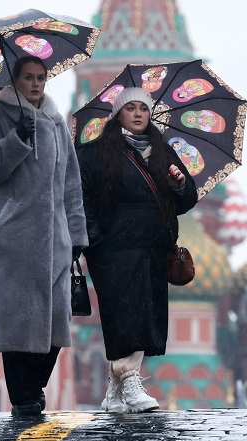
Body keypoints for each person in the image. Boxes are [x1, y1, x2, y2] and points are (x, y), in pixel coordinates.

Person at [0, 56, 88, 416]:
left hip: (55, 240)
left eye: (41, 78)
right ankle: (23, 397)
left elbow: (71, 183)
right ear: (16, 81)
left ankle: (33, 385)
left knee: (55, 323)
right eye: (29, 77)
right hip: (13, 239)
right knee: (18, 323)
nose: (36, 84)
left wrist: (76, 233)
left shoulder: (56, 123)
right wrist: (17, 138)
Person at [77, 87, 198, 413]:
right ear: (118, 115)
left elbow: (187, 199)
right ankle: (130, 381)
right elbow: (81, 199)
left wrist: (179, 185)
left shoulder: (162, 152)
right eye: (130, 108)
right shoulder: (96, 154)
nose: (138, 114)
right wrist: (95, 241)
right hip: (114, 250)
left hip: (151, 247)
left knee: (143, 314)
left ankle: (115, 390)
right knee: (124, 314)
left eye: (143, 109)